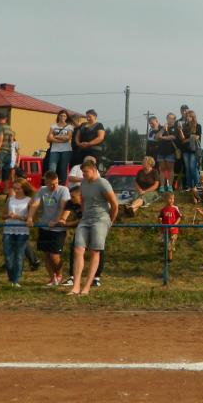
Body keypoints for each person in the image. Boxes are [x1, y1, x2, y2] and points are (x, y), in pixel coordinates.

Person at [68, 159, 118, 296]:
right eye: (82, 172)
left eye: (86, 172)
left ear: (94, 170)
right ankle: (76, 286)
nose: (84, 174)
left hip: (100, 219)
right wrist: (84, 215)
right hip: (86, 219)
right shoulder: (84, 183)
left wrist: (110, 221)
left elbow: (114, 204)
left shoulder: (103, 183)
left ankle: (87, 287)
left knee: (95, 251)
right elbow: (83, 200)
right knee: (78, 249)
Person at [28, 171, 71, 286]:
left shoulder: (63, 190)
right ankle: (52, 278)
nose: (53, 186)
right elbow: (35, 204)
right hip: (44, 227)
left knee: (54, 255)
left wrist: (57, 221)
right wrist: (30, 218)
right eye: (50, 184)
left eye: (55, 183)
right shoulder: (42, 190)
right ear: (46, 182)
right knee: (46, 254)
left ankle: (59, 274)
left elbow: (63, 207)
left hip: (57, 229)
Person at [2, 178, 34, 287]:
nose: (16, 190)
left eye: (19, 188)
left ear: (24, 188)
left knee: (19, 255)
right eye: (14, 188)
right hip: (8, 229)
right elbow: (3, 215)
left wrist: (19, 217)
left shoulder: (29, 200)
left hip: (22, 230)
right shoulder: (10, 199)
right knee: (8, 256)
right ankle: (11, 278)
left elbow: (30, 217)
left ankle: (16, 280)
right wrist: (8, 215)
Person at [45, 110, 74, 185]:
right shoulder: (53, 126)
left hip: (66, 150)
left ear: (66, 117)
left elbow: (68, 138)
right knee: (52, 168)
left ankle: (62, 185)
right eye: (61, 115)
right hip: (54, 150)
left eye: (64, 116)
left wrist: (55, 137)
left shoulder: (69, 126)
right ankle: (51, 184)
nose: (62, 117)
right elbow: (49, 138)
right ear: (58, 116)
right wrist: (61, 139)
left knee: (63, 168)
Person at [177, 110, 202, 191]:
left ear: (193, 117)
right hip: (185, 150)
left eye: (189, 116)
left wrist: (188, 139)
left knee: (193, 167)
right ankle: (189, 186)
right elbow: (182, 140)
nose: (187, 118)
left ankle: (197, 186)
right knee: (187, 168)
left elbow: (197, 137)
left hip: (194, 150)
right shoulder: (184, 126)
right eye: (187, 116)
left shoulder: (198, 126)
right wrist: (180, 130)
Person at [155, 113, 178, 192]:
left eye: (172, 118)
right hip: (161, 152)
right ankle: (162, 186)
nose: (170, 120)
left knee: (170, 169)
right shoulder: (162, 127)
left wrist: (162, 137)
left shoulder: (175, 128)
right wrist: (163, 129)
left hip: (170, 152)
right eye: (168, 118)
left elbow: (172, 137)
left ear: (174, 120)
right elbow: (156, 137)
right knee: (162, 169)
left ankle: (170, 186)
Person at [158, 191, 182, 262]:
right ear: (165, 199)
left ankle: (169, 259)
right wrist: (160, 220)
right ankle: (168, 252)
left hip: (173, 230)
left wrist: (175, 224)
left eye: (173, 199)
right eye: (170, 199)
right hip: (165, 230)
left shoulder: (174, 209)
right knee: (165, 243)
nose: (172, 200)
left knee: (169, 245)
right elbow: (160, 217)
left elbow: (179, 217)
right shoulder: (163, 209)